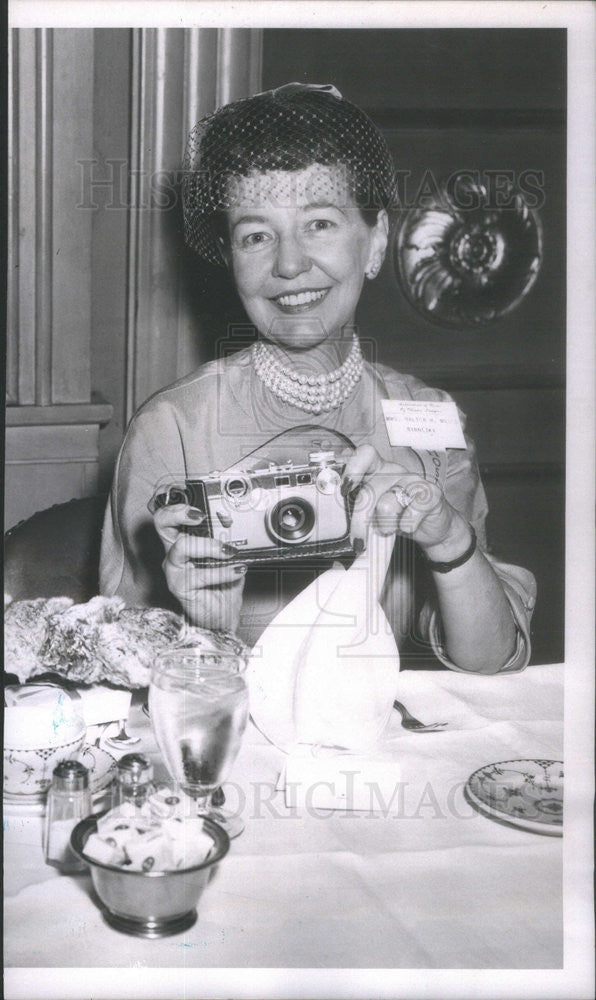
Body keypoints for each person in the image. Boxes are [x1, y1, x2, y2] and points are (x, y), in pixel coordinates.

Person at [100, 82, 536, 674]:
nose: (288, 263)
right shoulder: (174, 426)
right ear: (232, 260)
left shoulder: (430, 420)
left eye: (320, 224)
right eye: (256, 235)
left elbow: (488, 663)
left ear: (376, 242)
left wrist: (446, 537)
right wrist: (205, 625)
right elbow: (117, 680)